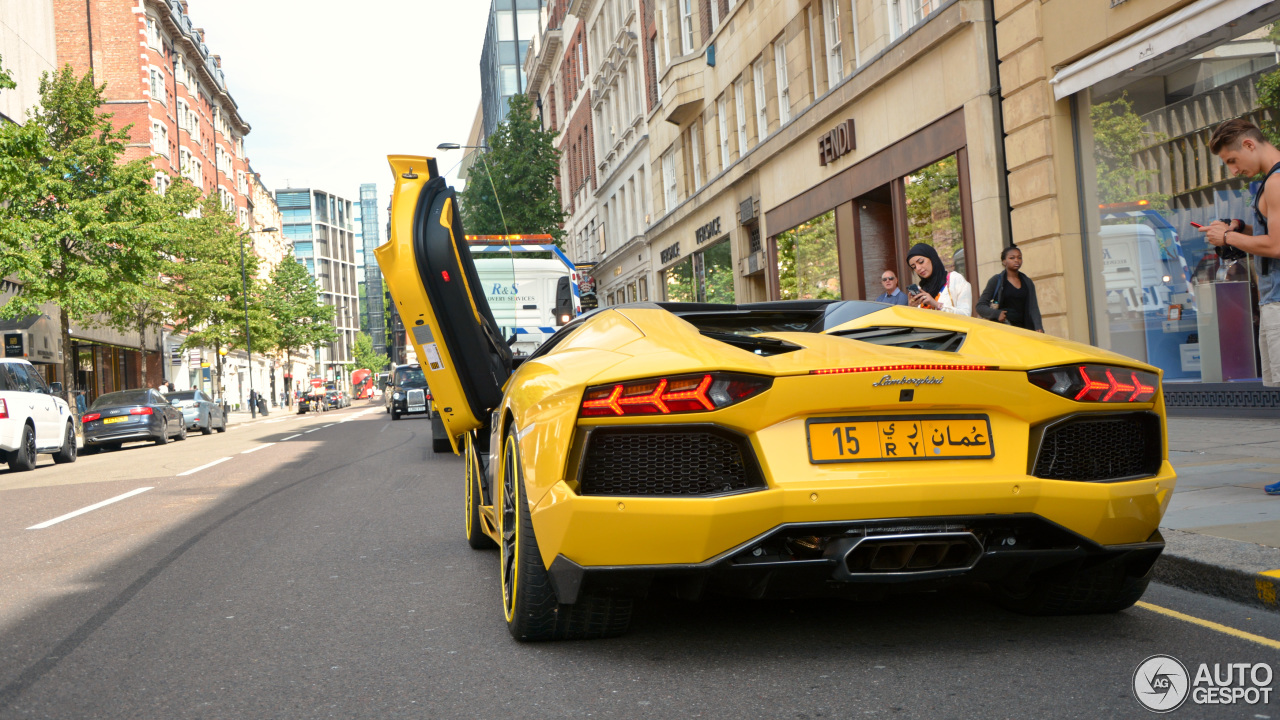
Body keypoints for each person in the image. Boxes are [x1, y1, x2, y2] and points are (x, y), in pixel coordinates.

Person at [1200, 119, 1280, 494]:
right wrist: (1241, 230)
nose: (1233, 170)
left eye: (1233, 160)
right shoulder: (1271, 182)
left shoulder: (1277, 182)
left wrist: (1228, 236)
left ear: (1250, 144)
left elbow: (1278, 246)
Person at [975, 245, 1044, 332]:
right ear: (1004, 261)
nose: (1016, 260)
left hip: (1025, 330)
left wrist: (1038, 327)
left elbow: (1033, 308)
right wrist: (996, 314)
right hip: (1003, 330)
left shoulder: (1027, 282)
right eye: (1012, 258)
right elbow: (980, 306)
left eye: (1019, 258)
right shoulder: (996, 280)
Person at [905, 243, 972, 315]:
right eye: (914, 267)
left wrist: (936, 305)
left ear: (932, 258)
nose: (918, 268)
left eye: (921, 262)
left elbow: (966, 314)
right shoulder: (922, 290)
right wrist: (912, 308)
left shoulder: (954, 279)